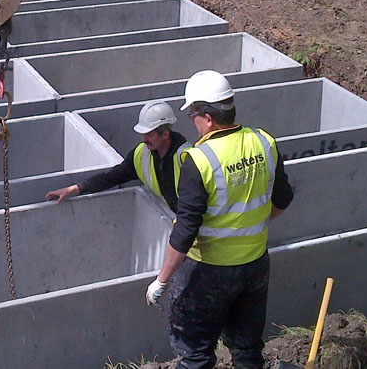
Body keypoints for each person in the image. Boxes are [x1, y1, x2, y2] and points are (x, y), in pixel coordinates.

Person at [146, 70, 294, 369]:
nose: (194, 124)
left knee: (194, 352)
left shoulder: (199, 160)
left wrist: (161, 280)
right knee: (247, 348)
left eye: (193, 117)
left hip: (208, 273)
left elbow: (185, 232)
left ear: (207, 117)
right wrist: (253, 229)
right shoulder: (263, 141)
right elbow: (283, 198)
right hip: (255, 266)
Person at [45, 101, 189, 212]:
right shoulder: (142, 155)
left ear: (165, 134)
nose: (144, 139)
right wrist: (74, 189)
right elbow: (111, 177)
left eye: (150, 134)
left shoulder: (187, 158)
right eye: (144, 134)